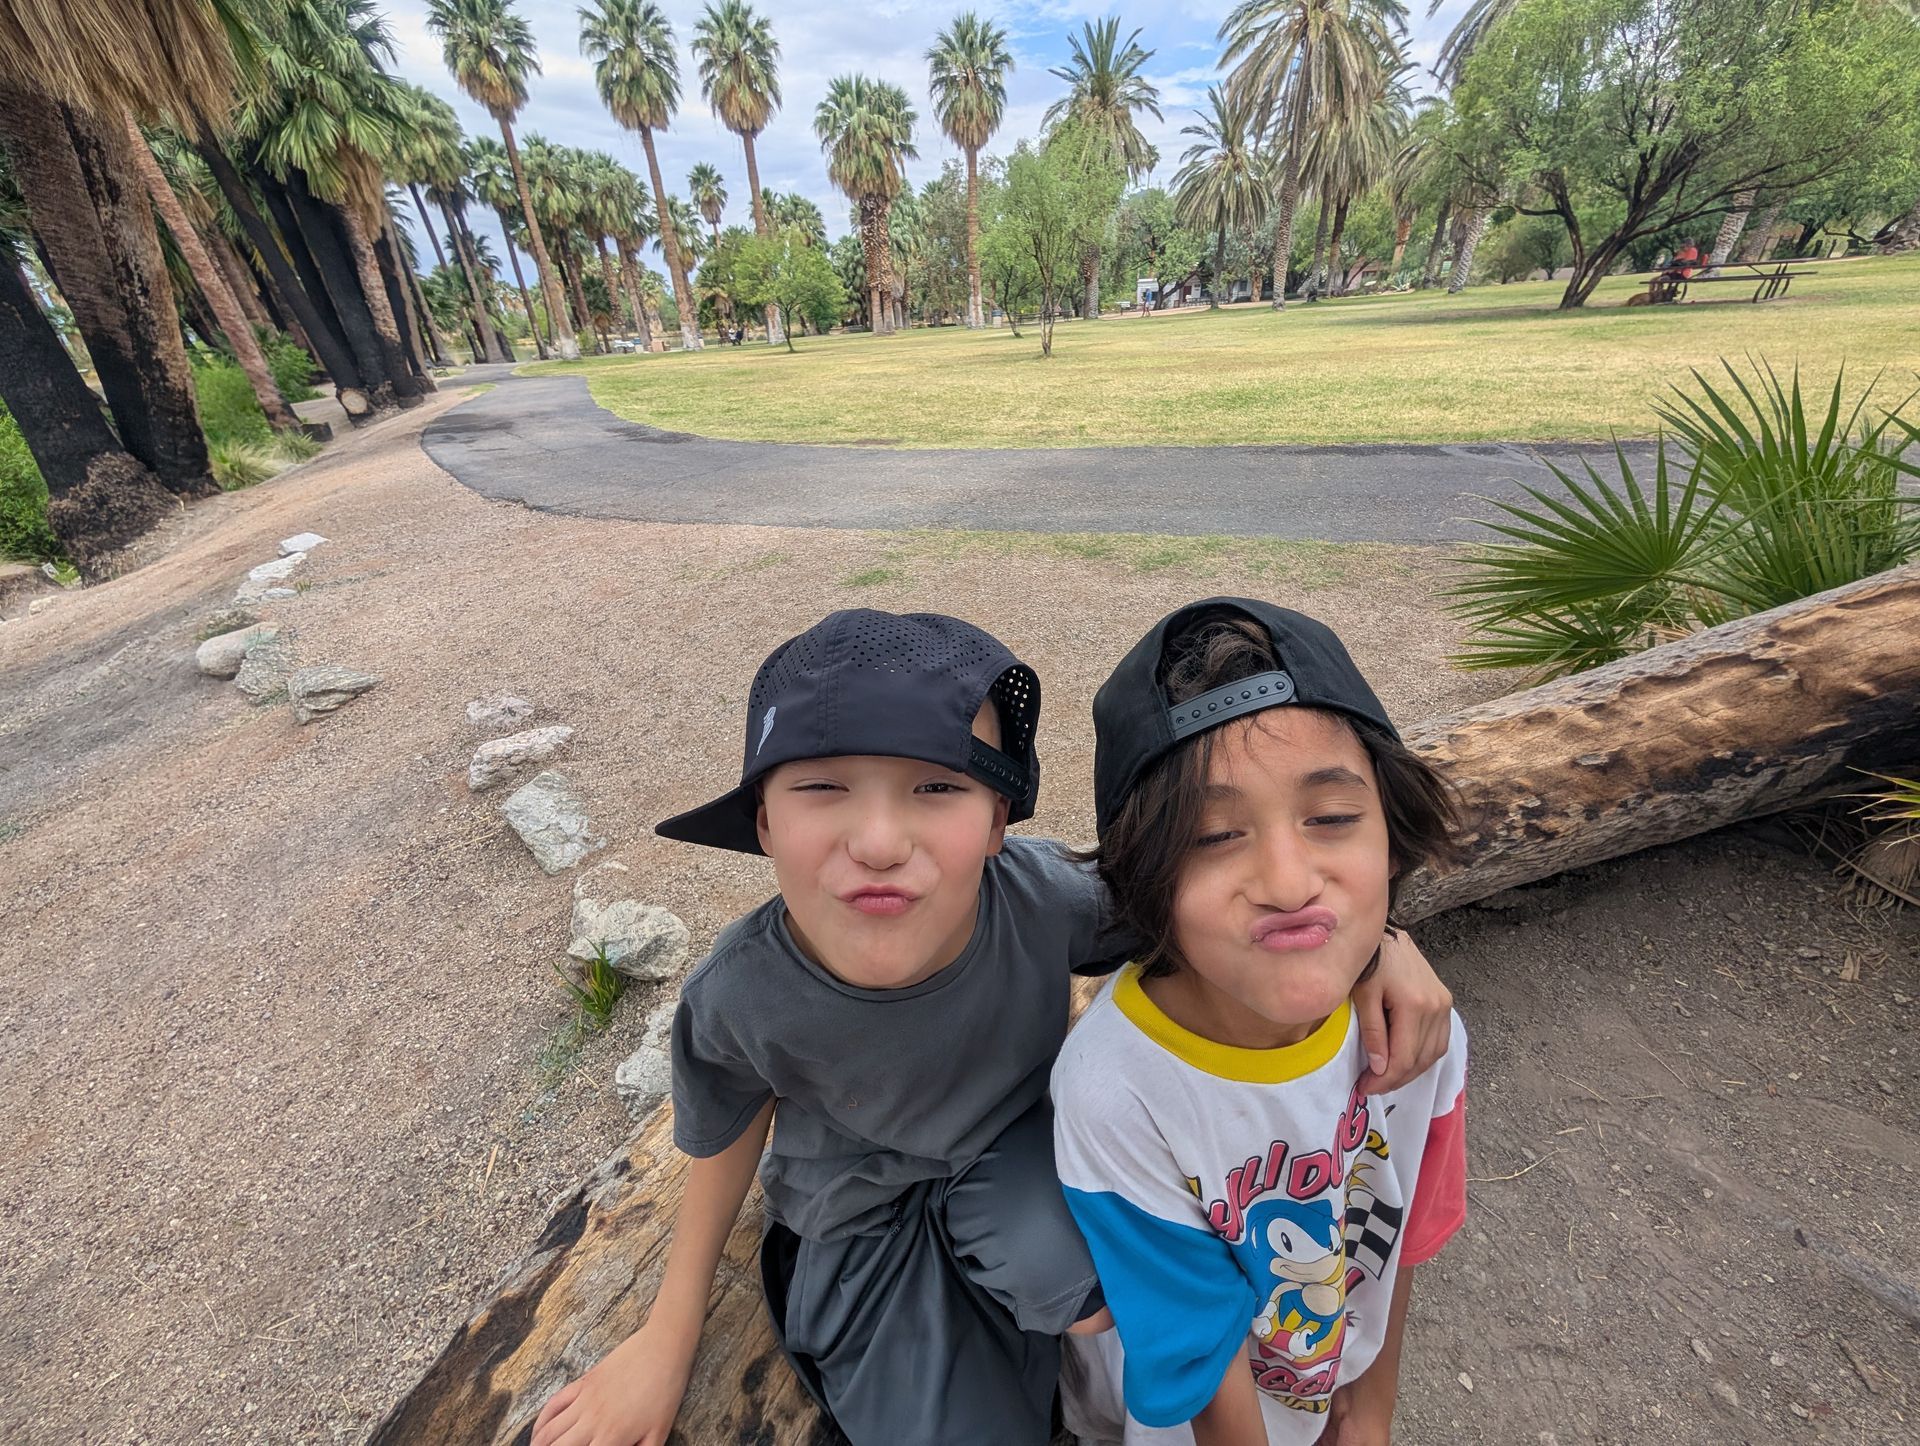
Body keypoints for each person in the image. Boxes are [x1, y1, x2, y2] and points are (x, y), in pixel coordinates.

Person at [532, 608, 1455, 1446]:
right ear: (763, 820)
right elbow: (722, 1129)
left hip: (1027, 1163)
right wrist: (668, 1331)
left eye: (937, 788)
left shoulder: (1042, 900)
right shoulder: (741, 993)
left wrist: (1383, 947)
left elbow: (1221, 907)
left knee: (1080, 1287)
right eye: (823, 787)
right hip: (862, 1219)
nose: (882, 839)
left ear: (999, 820)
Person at [1054, 598, 1470, 1445]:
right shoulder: (1115, 1095)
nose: (1286, 880)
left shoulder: (1420, 1027)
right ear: (1142, 876)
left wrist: (1373, 1408)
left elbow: (1398, 1235)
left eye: (1331, 819)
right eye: (1213, 835)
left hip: (1323, 1387)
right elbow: (1197, 1355)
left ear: (1392, 833)